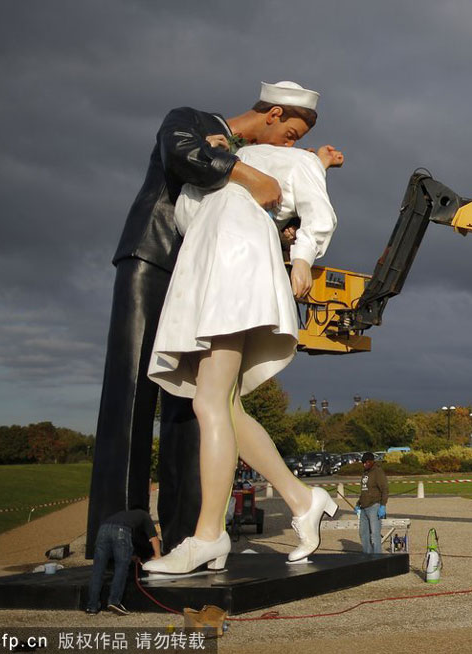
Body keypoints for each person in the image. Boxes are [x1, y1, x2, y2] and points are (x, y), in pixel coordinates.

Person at [86, 81, 320, 558]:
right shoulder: (193, 120)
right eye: (291, 134)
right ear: (272, 114)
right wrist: (248, 175)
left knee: (193, 405)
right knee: (132, 391)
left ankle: (185, 533)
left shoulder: (259, 162)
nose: (290, 145)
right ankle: (119, 533)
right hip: (155, 258)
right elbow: (183, 157)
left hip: (205, 271)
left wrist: (287, 229)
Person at [142, 129, 343, 573]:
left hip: (234, 267)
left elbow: (318, 214)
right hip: (208, 267)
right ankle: (302, 497)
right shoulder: (218, 168)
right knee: (225, 405)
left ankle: (209, 534)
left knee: (209, 400)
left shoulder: (287, 161)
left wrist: (305, 256)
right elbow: (190, 217)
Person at [85, 508, 160, 615]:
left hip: (103, 530)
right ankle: (114, 602)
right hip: (121, 530)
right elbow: (154, 537)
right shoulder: (145, 516)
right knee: (121, 567)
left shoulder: (125, 515)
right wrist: (158, 555)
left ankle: (92, 606)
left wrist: (132, 555)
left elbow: (120, 544)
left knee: (98, 570)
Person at [355, 452, 389, 554]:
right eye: (363, 462)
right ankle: (367, 555)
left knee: (375, 534)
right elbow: (364, 490)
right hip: (363, 507)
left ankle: (377, 557)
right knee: (363, 533)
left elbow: (385, 489)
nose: (364, 464)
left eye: (366, 462)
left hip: (374, 506)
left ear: (371, 461)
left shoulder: (377, 472)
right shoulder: (365, 473)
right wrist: (358, 504)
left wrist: (383, 505)